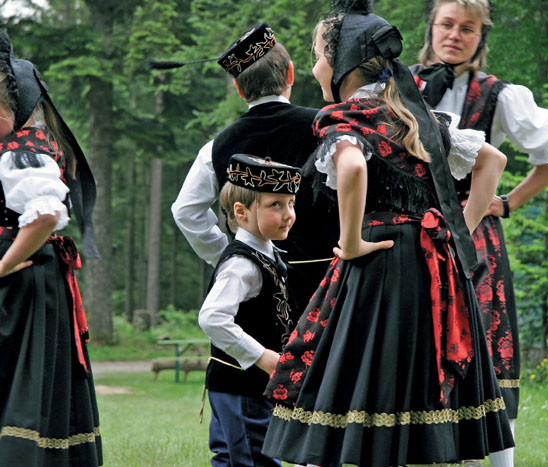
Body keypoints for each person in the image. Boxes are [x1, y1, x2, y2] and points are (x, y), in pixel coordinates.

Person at [260, 2, 514, 465]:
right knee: (418, 369)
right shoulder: (416, 116)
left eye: (319, 56)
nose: (315, 67)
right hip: (434, 262)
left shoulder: (347, 119)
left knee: (360, 369)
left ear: (342, 64)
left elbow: (353, 166)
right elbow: (492, 162)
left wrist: (351, 241)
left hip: (379, 263)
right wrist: (460, 228)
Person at [411, 1, 548, 464]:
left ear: (481, 37)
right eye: (446, 24)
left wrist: (510, 202)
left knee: (484, 342)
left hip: (472, 236)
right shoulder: (400, 84)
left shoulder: (498, 95)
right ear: (432, 27)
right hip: (411, 228)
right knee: (417, 340)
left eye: (467, 28)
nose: (454, 35)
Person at [0, 31, 102, 466]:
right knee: (3, 373)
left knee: (0, 374)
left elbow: (45, 214)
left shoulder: (22, 154)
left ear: (19, 111)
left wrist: (7, 263)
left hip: (15, 290)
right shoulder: (30, 145)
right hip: (23, 282)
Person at [171, 23, 339, 319]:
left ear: (239, 89)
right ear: (290, 73)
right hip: (327, 289)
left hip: (253, 294)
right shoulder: (329, 129)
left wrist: (228, 254)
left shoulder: (216, 147)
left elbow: (186, 211)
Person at [198, 154, 301, 466]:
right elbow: (212, 317)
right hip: (242, 388)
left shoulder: (269, 254)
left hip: (242, 388)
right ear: (241, 212)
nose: (288, 214)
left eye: (291, 203)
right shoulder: (243, 264)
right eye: (275, 205)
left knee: (230, 459)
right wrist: (262, 356)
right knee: (256, 460)